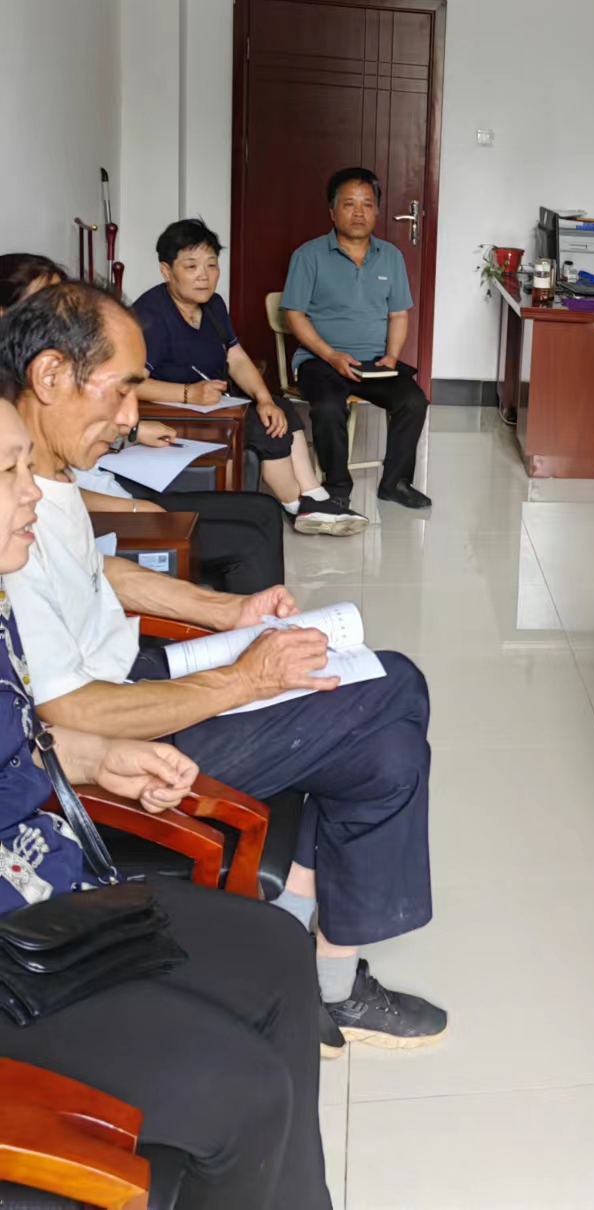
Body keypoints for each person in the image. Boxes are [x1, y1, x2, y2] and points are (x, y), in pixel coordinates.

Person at [0, 280, 447, 1053]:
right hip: (118, 739)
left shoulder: (44, 477)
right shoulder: (12, 509)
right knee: (393, 693)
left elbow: (100, 573)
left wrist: (225, 613)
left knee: (384, 738)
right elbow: (71, 716)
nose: (132, 415)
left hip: (143, 675)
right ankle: (323, 976)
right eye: (123, 388)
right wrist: (244, 679)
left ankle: (314, 963)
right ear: (50, 376)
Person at [0, 381, 332, 1209]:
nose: (33, 493)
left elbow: (21, 742)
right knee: (241, 1094)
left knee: (278, 951)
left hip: (48, 895)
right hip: (12, 960)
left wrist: (97, 758)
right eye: (8, 474)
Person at [0, 254, 287, 594]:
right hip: (105, 512)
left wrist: (133, 432)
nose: (63, 325)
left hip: (104, 494)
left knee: (265, 509)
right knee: (246, 539)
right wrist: (134, 507)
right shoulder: (16, 414)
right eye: (43, 310)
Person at [135, 219, 366, 536]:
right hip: (174, 411)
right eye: (191, 266)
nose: (204, 275)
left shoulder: (213, 305)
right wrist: (188, 393)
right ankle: (298, 506)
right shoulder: (150, 315)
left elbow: (236, 358)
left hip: (214, 404)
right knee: (264, 430)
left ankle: (314, 496)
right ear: (166, 271)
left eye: (211, 264)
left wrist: (264, 399)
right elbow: (130, 383)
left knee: (280, 409)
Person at [282, 168, 431, 512]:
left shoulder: (390, 257)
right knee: (328, 407)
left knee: (413, 401)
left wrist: (391, 356)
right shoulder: (308, 256)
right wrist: (330, 355)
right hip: (320, 361)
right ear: (332, 212)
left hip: (374, 363)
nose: (359, 212)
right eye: (349, 204)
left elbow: (398, 315)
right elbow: (294, 315)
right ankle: (336, 487)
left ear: (377, 211)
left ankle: (395, 483)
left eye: (367, 204)